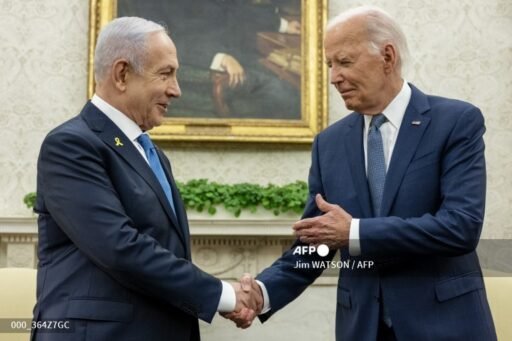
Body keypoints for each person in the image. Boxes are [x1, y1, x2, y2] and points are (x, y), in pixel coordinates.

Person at [224, 6, 497, 341]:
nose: (334, 76)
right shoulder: (329, 143)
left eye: (345, 62)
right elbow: (317, 243)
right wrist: (262, 293)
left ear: (387, 56)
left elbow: (460, 227)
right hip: (363, 329)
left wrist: (355, 232)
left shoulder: (455, 122)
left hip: (445, 326)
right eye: (330, 65)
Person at [32, 17, 262, 341]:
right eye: (165, 74)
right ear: (122, 74)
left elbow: (162, 249)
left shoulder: (149, 152)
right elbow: (120, 248)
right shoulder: (71, 145)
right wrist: (222, 294)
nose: (177, 90)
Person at [117, 0, 301, 119]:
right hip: (203, 64)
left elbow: (234, 8)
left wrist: (283, 24)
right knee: (286, 95)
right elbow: (156, 42)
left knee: (290, 77)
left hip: (237, 54)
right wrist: (218, 57)